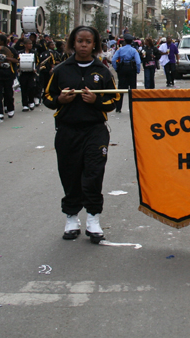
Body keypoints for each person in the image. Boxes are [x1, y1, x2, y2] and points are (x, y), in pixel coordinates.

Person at [43, 26, 118, 243]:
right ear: (72, 43)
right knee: (70, 173)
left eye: (88, 41)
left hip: (95, 131)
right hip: (67, 131)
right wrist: (60, 100)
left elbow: (114, 101)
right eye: (79, 41)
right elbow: (47, 96)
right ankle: (71, 217)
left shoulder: (103, 71)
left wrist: (97, 102)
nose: (83, 45)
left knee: (94, 174)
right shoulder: (60, 70)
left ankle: (93, 219)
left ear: (95, 44)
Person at [112, 36, 141, 113]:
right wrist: (137, 70)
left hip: (122, 69)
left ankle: (118, 108)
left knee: (121, 88)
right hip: (131, 69)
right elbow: (138, 62)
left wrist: (116, 69)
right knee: (132, 89)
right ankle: (133, 107)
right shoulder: (134, 50)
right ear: (132, 42)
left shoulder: (120, 49)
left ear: (124, 41)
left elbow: (113, 60)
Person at [0, 34, 17, 121]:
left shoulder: (11, 50)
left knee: (8, 93)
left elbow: (17, 60)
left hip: (8, 74)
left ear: (2, 41)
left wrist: (7, 58)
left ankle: (10, 108)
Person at [17, 39, 40, 112]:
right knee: (24, 88)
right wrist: (18, 68)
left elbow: (38, 62)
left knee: (31, 87)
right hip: (23, 73)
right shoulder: (20, 53)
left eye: (31, 44)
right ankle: (25, 105)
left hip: (31, 73)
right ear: (25, 45)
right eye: (29, 44)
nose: (30, 45)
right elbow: (17, 62)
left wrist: (36, 69)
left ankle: (31, 101)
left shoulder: (34, 53)